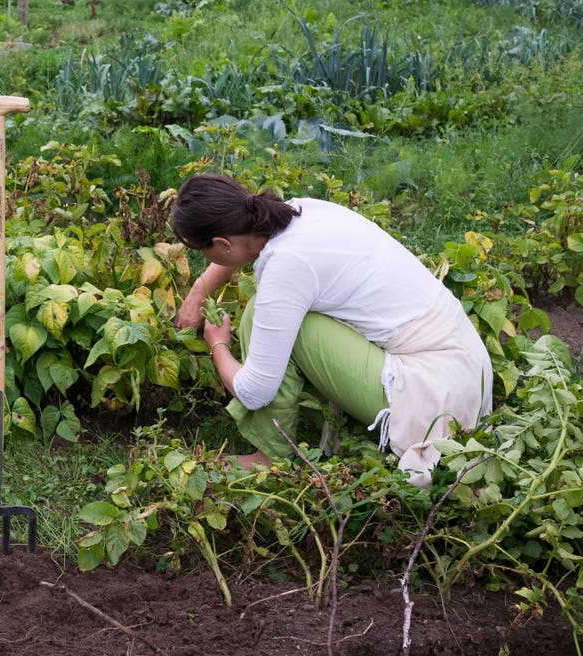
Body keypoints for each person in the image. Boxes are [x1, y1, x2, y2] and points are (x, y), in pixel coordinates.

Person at [171, 174, 492, 487]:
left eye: (203, 252)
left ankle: (269, 457)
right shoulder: (297, 211)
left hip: (436, 396)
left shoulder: (287, 265)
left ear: (221, 244)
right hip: (466, 368)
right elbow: (239, 248)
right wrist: (200, 291)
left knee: (264, 315)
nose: (205, 259)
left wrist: (218, 345)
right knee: (276, 313)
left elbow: (256, 392)